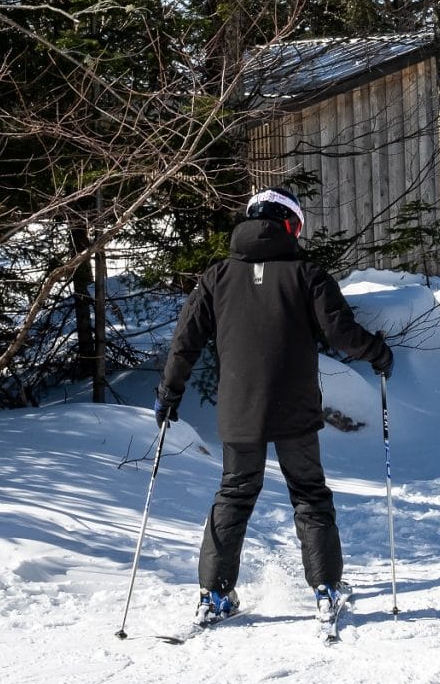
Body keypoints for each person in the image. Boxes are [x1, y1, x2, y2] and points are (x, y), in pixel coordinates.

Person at [156, 189, 393, 631]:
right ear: (289, 225)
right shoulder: (307, 274)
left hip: (239, 409)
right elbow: (341, 333)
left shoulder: (216, 276)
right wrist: (379, 353)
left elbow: (185, 340)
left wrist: (169, 391)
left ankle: (214, 595)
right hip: (294, 409)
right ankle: (325, 589)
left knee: (234, 492)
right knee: (309, 493)